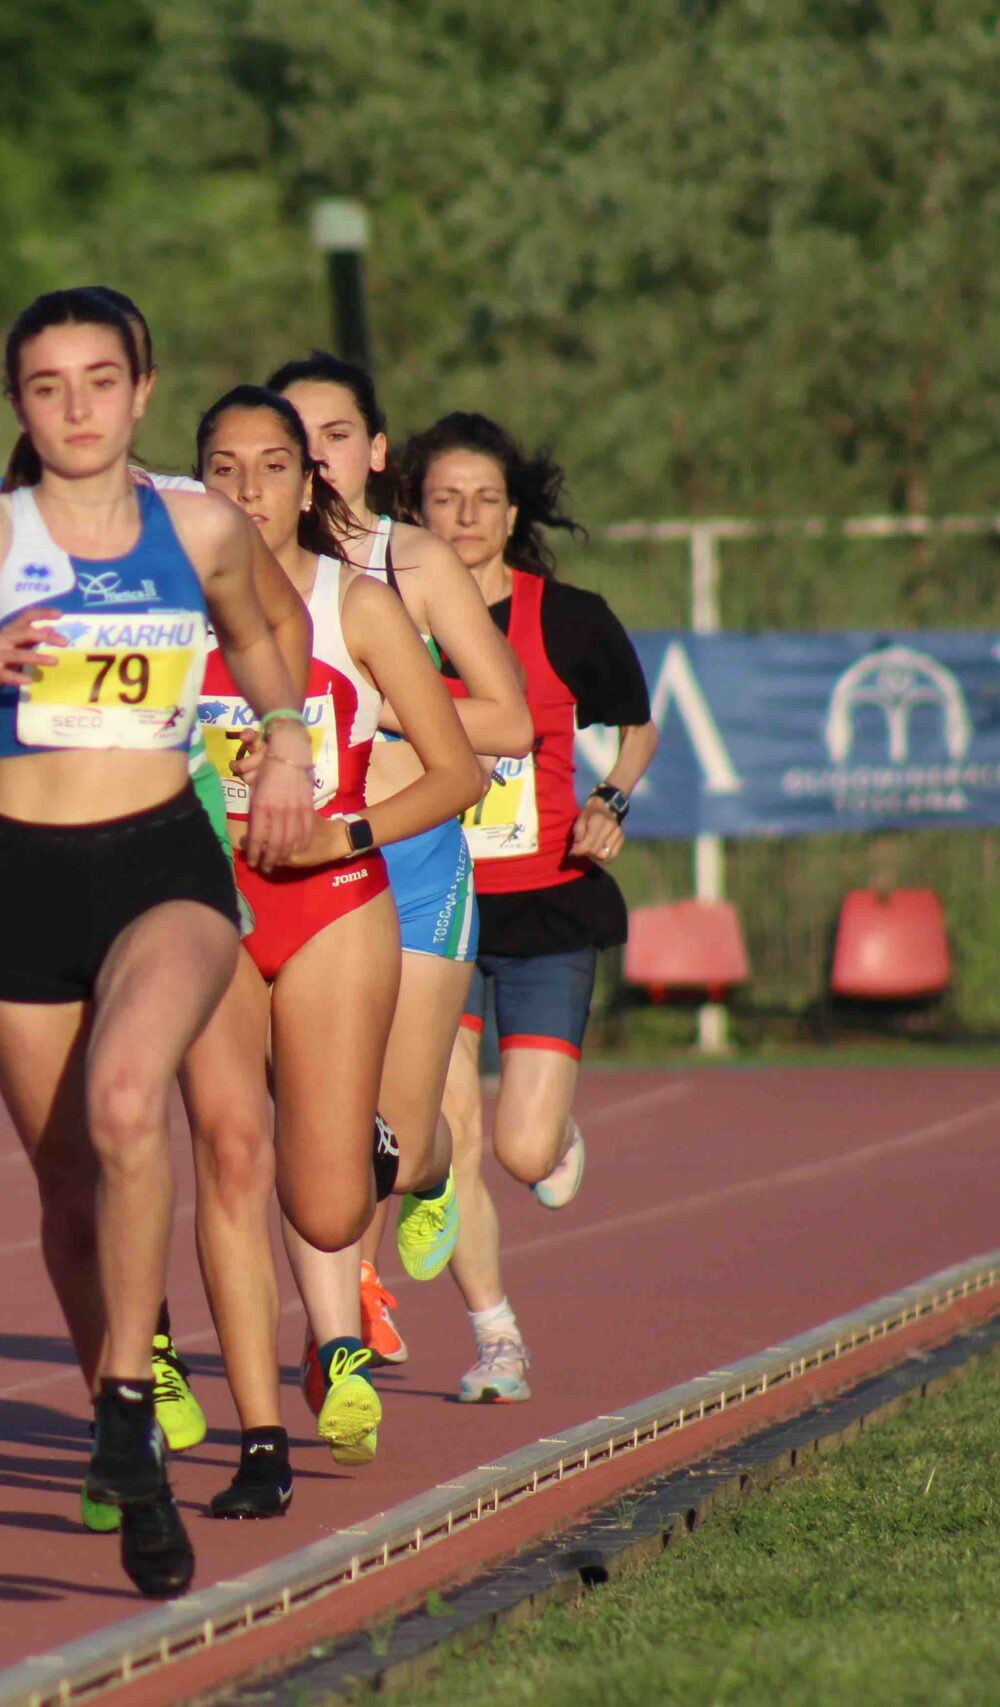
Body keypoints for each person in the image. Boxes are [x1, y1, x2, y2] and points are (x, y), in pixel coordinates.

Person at [0, 287, 317, 1599]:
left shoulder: (201, 525)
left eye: (98, 380)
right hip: (13, 877)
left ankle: (130, 1395)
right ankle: (119, 1419)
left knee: (135, 1100)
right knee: (70, 1185)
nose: (75, 408)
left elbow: (263, 641)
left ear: (140, 388)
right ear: (19, 406)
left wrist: (288, 745)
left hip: (160, 862)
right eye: (47, 386)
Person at [184, 388, 480, 1502]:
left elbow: (457, 770)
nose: (248, 491)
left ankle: (387, 1144)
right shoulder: (164, 620)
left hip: (335, 905)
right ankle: (260, 1438)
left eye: (272, 468)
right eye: (224, 469)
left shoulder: (353, 606)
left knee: (325, 1204)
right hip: (206, 916)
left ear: (311, 485)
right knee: (225, 1157)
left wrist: (342, 827)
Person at [269, 352, 531, 1405]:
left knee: (404, 1129)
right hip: (296, 871)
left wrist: (378, 704)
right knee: (306, 1111)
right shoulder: (230, 567)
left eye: (335, 435)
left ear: (373, 452)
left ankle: (425, 1176)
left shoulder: (412, 562)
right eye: (294, 439)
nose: (315, 457)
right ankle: (343, 1314)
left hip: (412, 859)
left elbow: (508, 721)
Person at [401, 410, 657, 1406]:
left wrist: (610, 802)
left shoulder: (568, 619)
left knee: (519, 1149)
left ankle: (553, 1134)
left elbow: (634, 727)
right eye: (442, 500)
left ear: (511, 515)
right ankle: (496, 1338)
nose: (462, 517)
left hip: (546, 907)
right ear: (413, 512)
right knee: (453, 1127)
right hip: (436, 909)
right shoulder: (391, 617)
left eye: (481, 500)